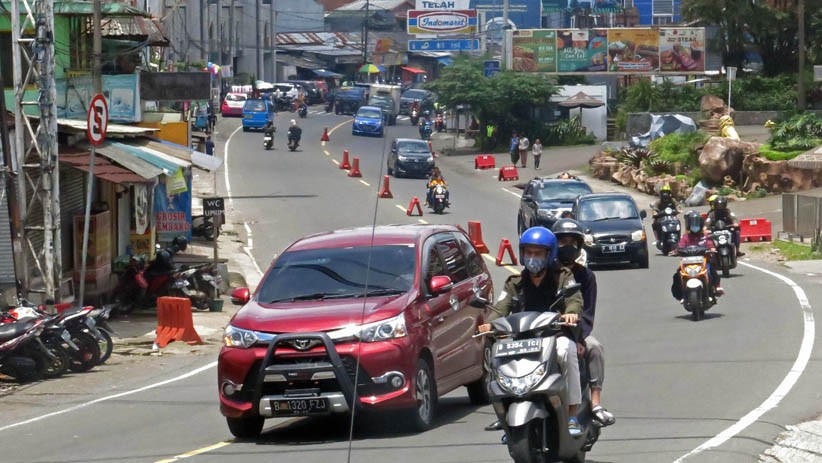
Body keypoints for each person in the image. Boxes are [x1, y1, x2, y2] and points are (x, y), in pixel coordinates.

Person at [479, 227, 584, 436]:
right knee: (497, 357)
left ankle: (572, 414)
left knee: (567, 351)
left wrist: (571, 313)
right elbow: (500, 307)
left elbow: (574, 300)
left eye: (538, 253)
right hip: (523, 339)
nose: (532, 257)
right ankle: (505, 411)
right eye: (528, 252)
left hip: (554, 336)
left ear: (549, 254)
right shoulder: (515, 283)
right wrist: (489, 324)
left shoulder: (563, 277)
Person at [551, 219, 615, 427]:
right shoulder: (546, 272)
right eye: (562, 241)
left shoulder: (586, 276)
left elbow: (586, 314)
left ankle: (595, 404)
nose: (568, 246)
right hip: (546, 332)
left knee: (594, 348)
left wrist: (578, 338)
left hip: (576, 331)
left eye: (573, 242)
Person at [672, 211, 723, 301]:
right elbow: (680, 246)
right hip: (687, 262)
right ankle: (681, 295)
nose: (694, 226)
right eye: (693, 224)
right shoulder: (685, 237)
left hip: (703, 261)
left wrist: (711, 249)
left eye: (696, 224)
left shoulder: (705, 236)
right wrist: (676, 251)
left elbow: (710, 244)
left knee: (711, 271)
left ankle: (716, 287)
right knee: (677, 275)